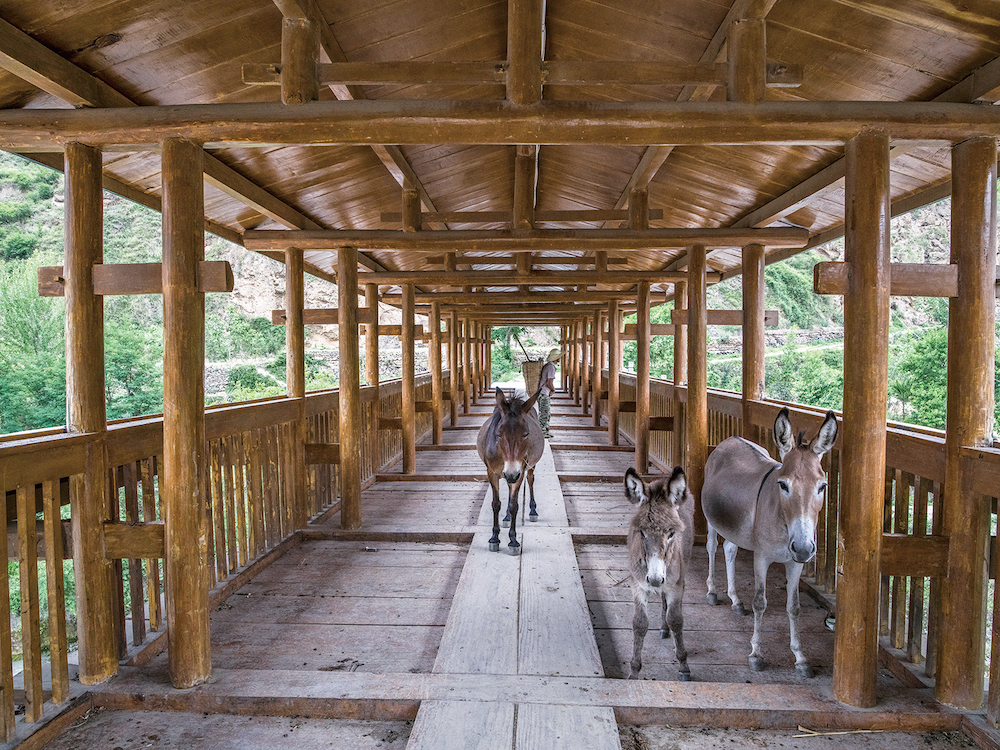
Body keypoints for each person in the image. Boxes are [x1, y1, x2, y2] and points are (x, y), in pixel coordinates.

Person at [538, 348, 560, 439]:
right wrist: (553, 390)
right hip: (544, 393)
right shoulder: (551, 367)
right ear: (556, 359)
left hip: (541, 392)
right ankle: (542, 432)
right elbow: (549, 382)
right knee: (545, 413)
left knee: (544, 412)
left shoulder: (547, 365)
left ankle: (544, 431)